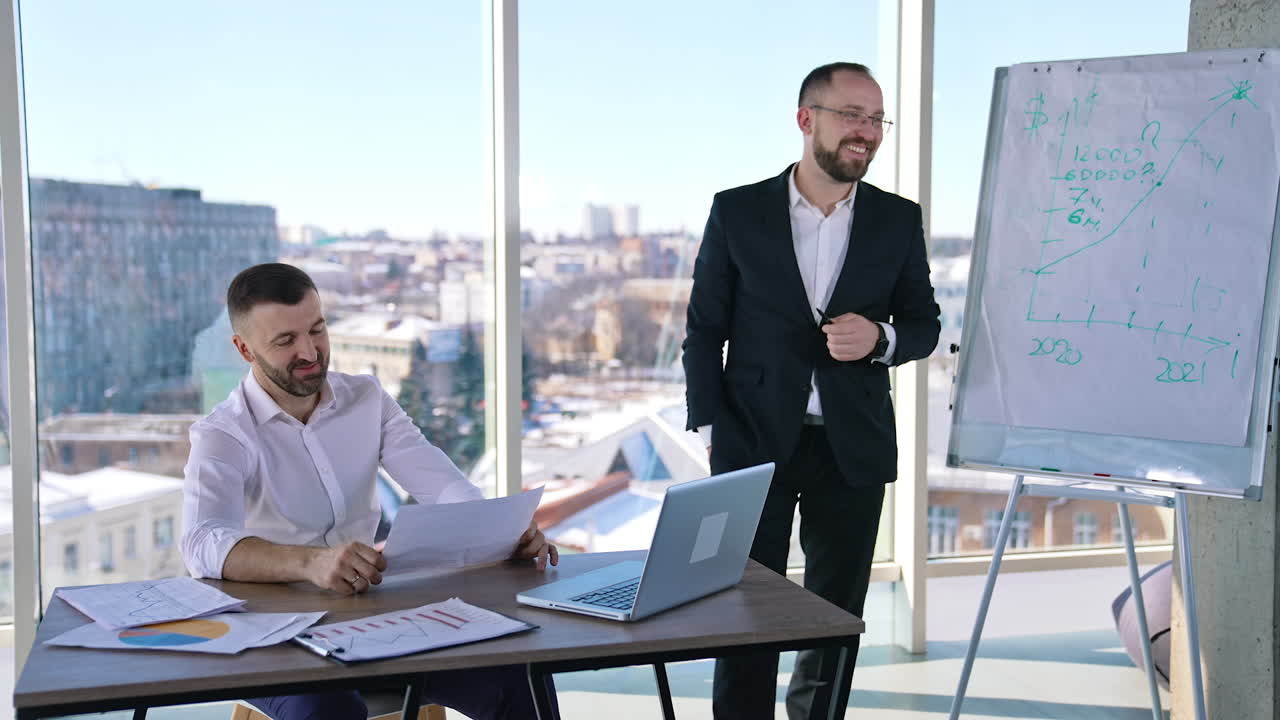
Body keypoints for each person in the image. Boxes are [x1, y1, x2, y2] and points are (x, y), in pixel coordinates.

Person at [181, 262, 560, 720]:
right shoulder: (223, 433)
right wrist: (309, 562)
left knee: (519, 677)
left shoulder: (367, 399)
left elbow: (441, 485)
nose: (310, 351)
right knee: (327, 705)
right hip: (275, 634)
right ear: (244, 349)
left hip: (374, 619)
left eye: (317, 330)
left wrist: (504, 530)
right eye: (285, 341)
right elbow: (202, 541)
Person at [682, 62, 941, 719]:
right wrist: (713, 431)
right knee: (742, 611)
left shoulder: (897, 220)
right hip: (750, 444)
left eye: (876, 118)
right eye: (851, 114)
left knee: (834, 618)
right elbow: (704, 327)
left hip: (851, 447)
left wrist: (880, 338)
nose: (866, 131)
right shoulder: (737, 211)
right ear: (807, 120)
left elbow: (924, 325)